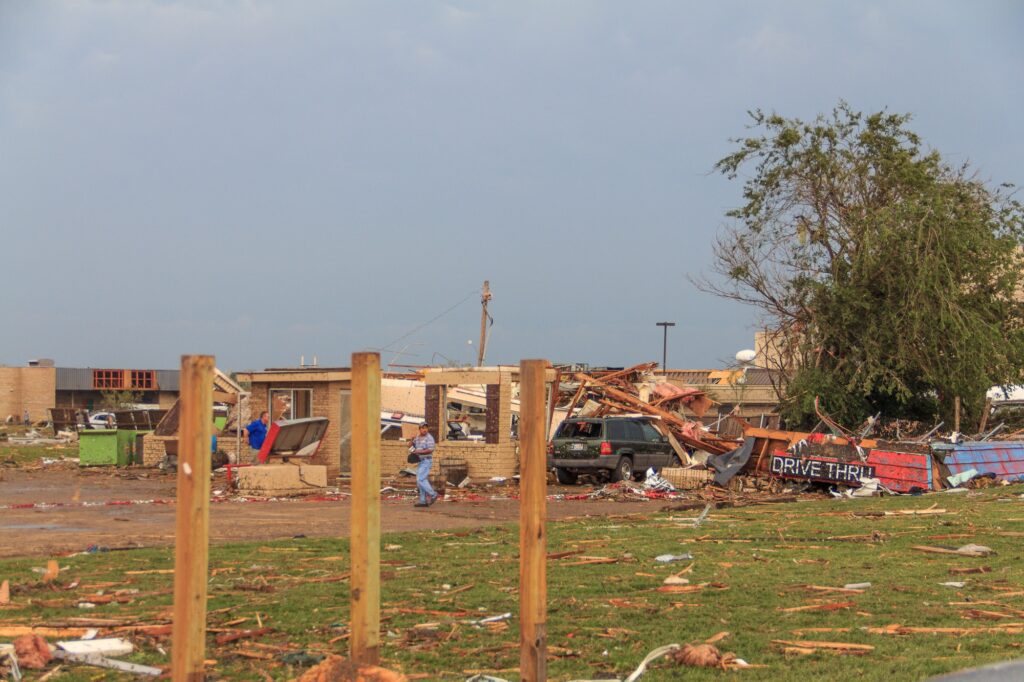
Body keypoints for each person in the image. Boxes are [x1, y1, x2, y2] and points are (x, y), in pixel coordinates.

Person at [410, 423, 438, 507]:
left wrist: (418, 452)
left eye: (426, 428)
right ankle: (423, 501)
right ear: (419, 429)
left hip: (426, 461)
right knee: (420, 481)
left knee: (420, 480)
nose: (424, 429)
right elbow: (410, 446)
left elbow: (430, 450)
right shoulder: (417, 437)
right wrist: (411, 440)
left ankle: (433, 494)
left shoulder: (429, 438)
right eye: (422, 428)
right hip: (420, 461)